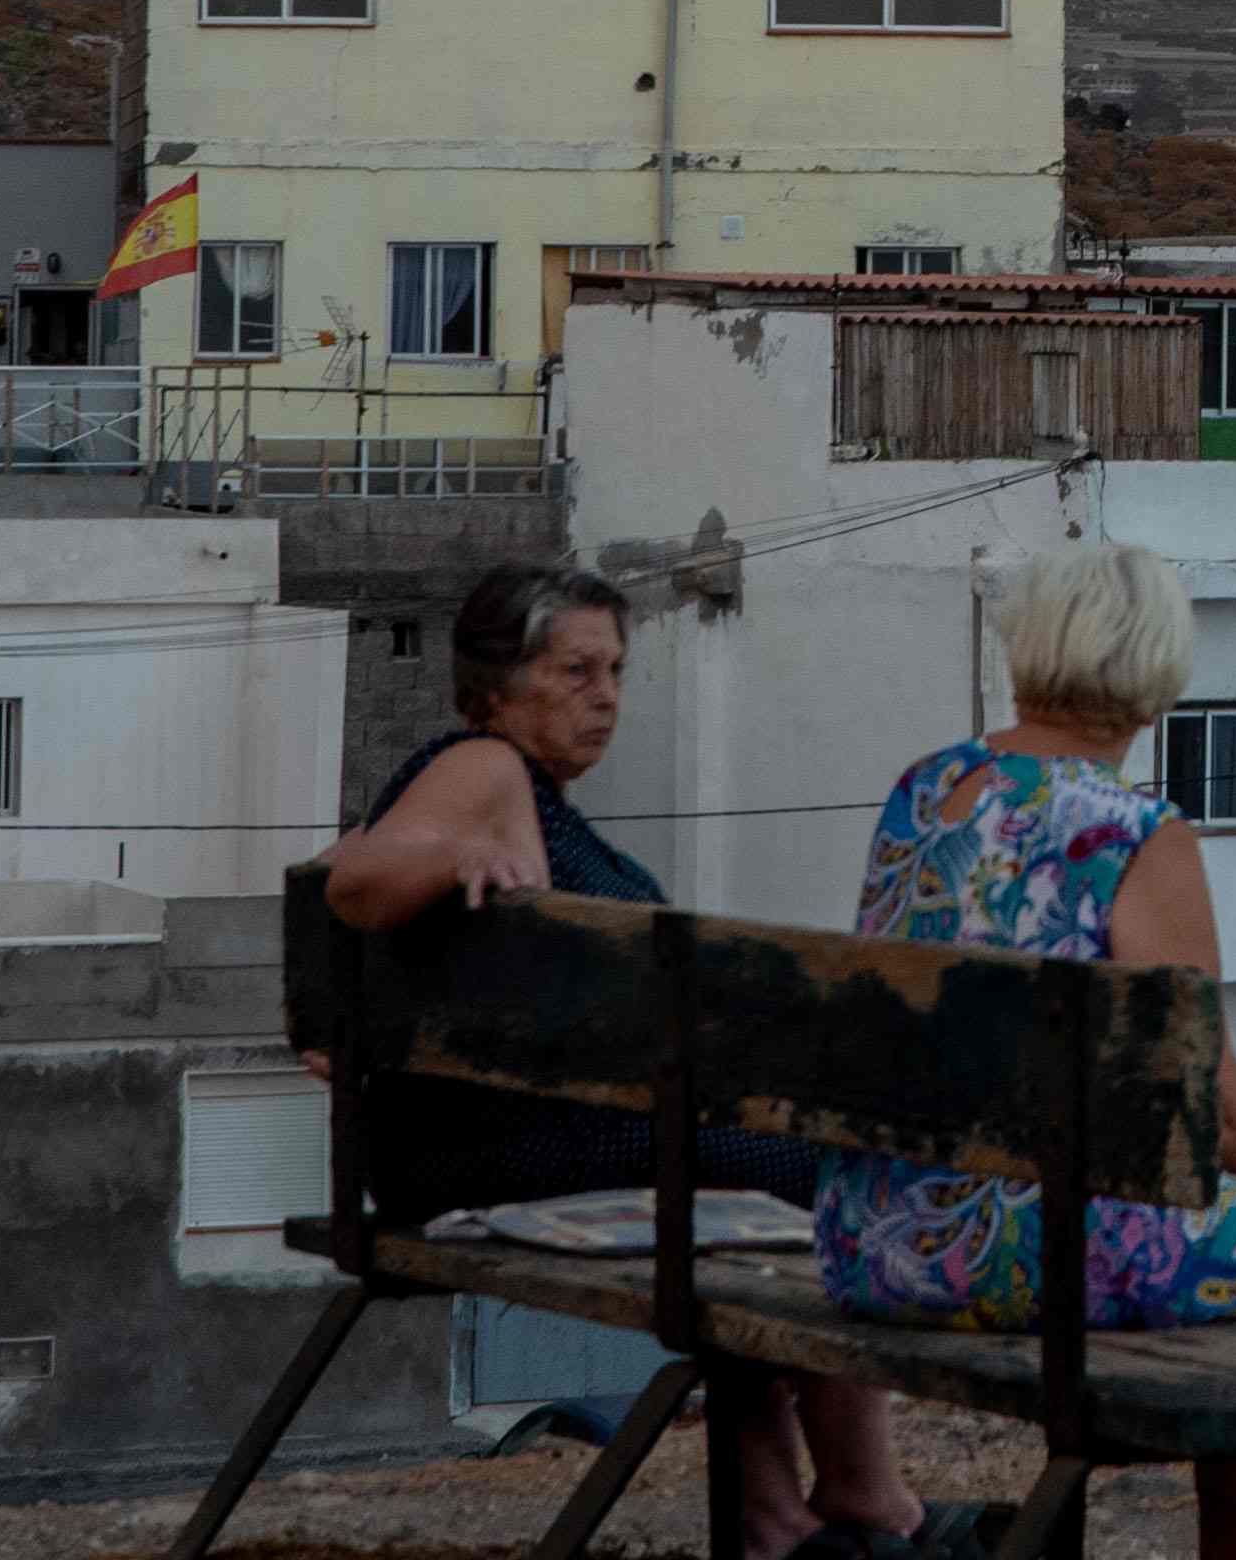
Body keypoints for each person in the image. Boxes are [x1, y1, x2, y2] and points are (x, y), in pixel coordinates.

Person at [816, 541, 1236, 1560]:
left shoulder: (927, 789)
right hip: (1024, 1248)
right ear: (1156, 678)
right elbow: (1213, 1110)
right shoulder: (1134, 830)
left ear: (1026, 650)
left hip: (874, 1232)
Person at [322, 563, 940, 1560]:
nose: (605, 693)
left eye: (613, 668)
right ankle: (868, 1497)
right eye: (575, 669)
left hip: (510, 1135)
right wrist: (451, 860)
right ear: (498, 680)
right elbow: (353, 882)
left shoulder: (515, 786)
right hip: (494, 1147)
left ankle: (777, 1513)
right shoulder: (482, 766)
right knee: (837, 1175)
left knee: (756, 1181)